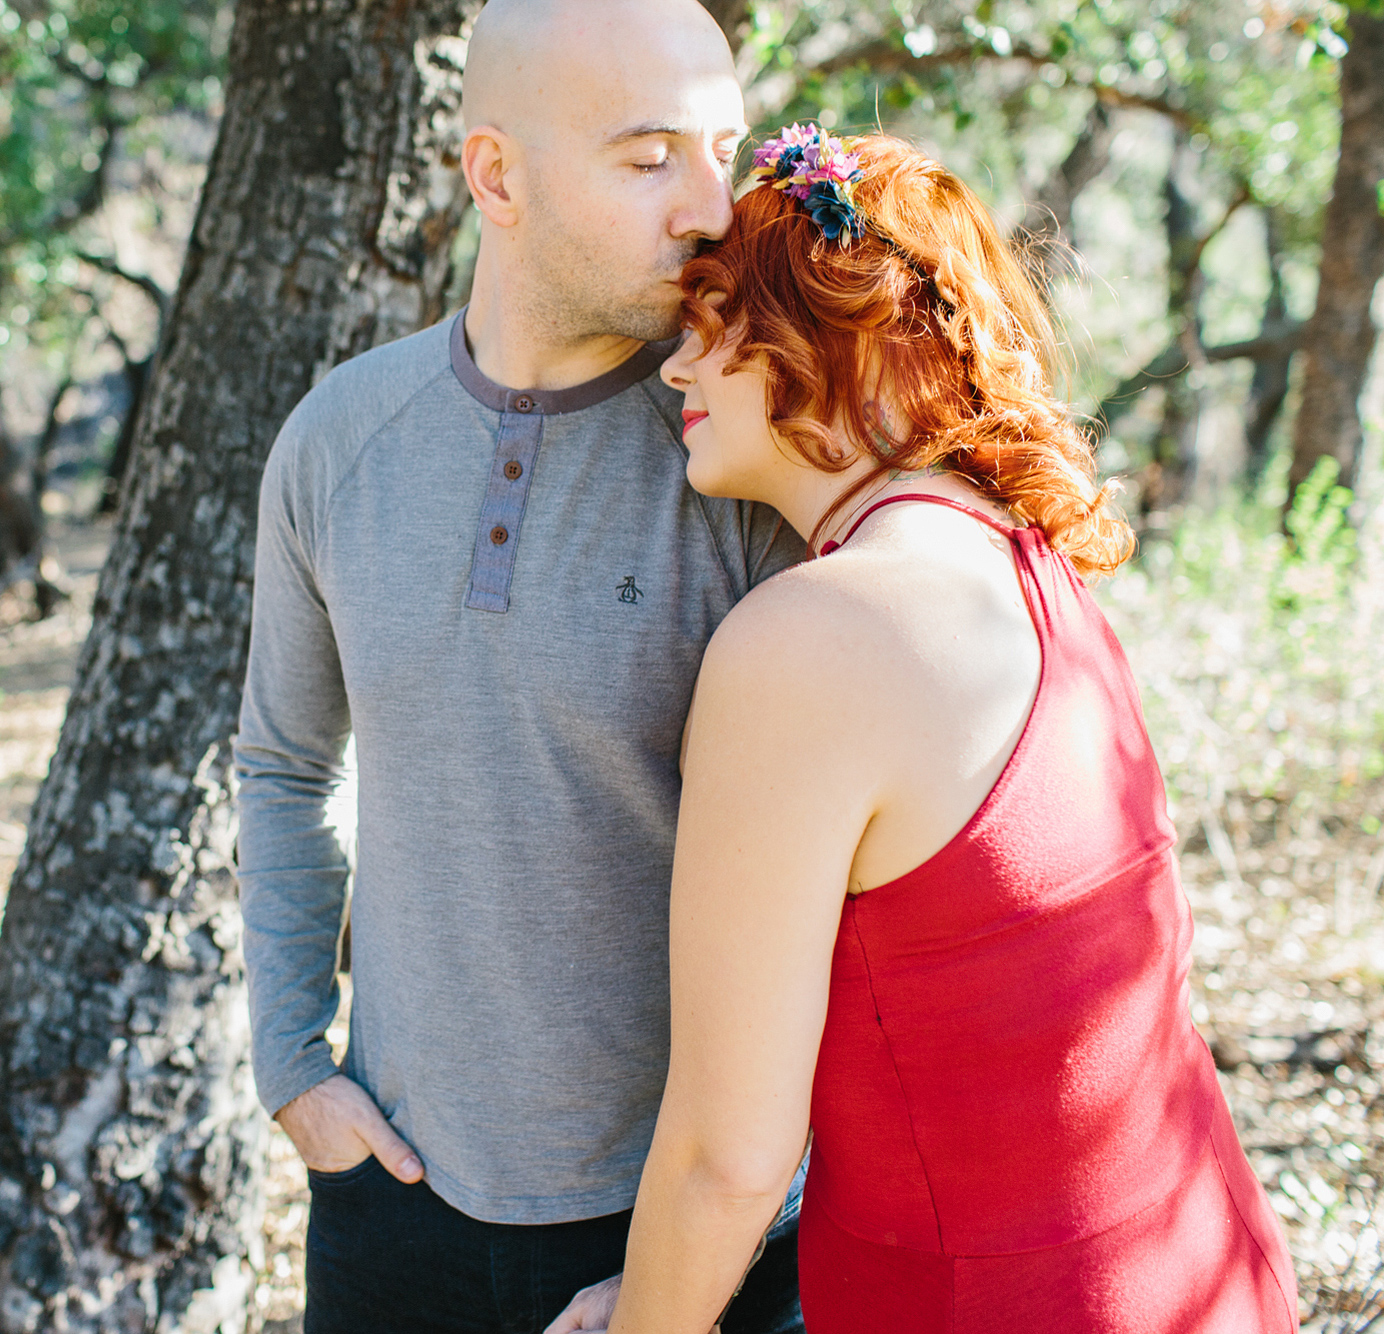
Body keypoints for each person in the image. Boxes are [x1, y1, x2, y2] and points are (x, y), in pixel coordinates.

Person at [547, 127, 1298, 1334]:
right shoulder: (1027, 560)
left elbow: (729, 1153)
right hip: (1202, 1261)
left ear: (834, 326)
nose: (674, 369)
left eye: (713, 316)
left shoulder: (807, 639)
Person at [233, 2, 812, 1331]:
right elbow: (284, 761)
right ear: (496, 175)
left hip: (683, 1225)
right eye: (649, 155)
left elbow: (850, 892)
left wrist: (691, 1257)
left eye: (723, 149)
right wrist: (289, 1064)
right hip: (390, 1202)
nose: (714, 210)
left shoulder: (743, 454)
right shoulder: (337, 441)